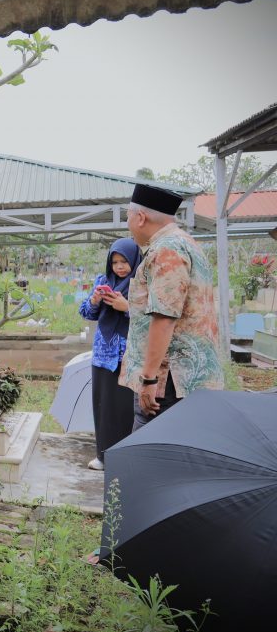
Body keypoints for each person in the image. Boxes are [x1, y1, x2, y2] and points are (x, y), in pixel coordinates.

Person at [120, 184, 223, 432]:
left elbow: (164, 318)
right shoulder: (187, 244)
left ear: (141, 217)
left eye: (128, 218)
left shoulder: (167, 250)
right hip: (186, 381)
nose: (128, 225)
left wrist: (148, 379)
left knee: (150, 458)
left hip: (168, 384)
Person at [78, 239, 141, 471]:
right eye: (114, 262)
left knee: (126, 406)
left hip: (128, 355)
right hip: (103, 353)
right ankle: (103, 455)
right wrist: (94, 300)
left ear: (134, 260)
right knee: (103, 405)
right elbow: (86, 312)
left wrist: (127, 307)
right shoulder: (102, 281)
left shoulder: (141, 284)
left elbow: (150, 317)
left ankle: (125, 455)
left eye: (124, 261)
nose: (119, 267)